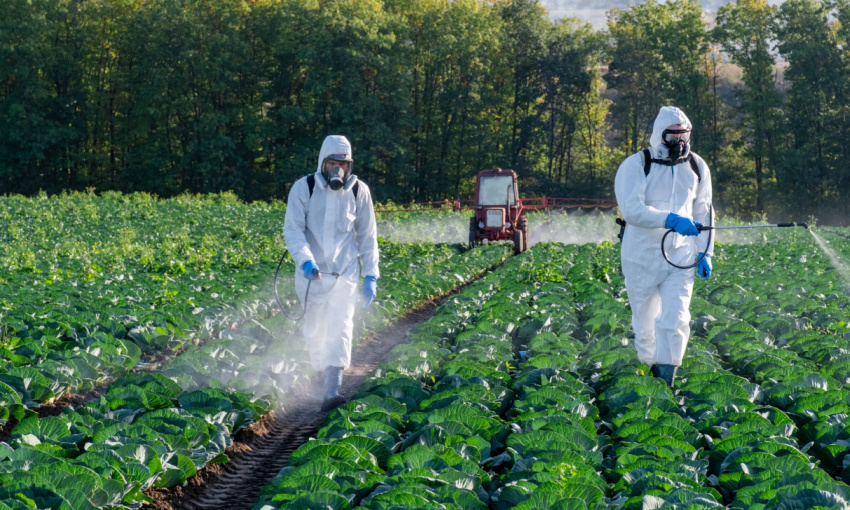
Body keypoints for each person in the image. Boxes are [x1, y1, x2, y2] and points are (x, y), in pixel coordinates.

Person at [614, 106, 713, 388]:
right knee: (645, 326)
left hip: (680, 257)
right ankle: (649, 373)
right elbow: (632, 210)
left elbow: (704, 212)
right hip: (641, 257)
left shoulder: (696, 166)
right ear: (660, 136)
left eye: (684, 136)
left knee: (677, 317)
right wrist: (669, 219)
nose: (679, 143)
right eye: (673, 137)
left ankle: (667, 378)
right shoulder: (636, 165)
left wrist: (705, 252)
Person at [283, 135, 379, 411]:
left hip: (345, 274)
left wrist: (371, 274)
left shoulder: (359, 192)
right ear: (323, 162)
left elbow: (368, 235)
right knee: (314, 330)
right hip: (311, 274)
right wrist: (305, 261)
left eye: (343, 164)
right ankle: (320, 373)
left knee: (340, 327)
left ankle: (331, 391)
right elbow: (293, 229)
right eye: (332, 163)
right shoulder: (305, 188)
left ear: (349, 166)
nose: (338, 169)